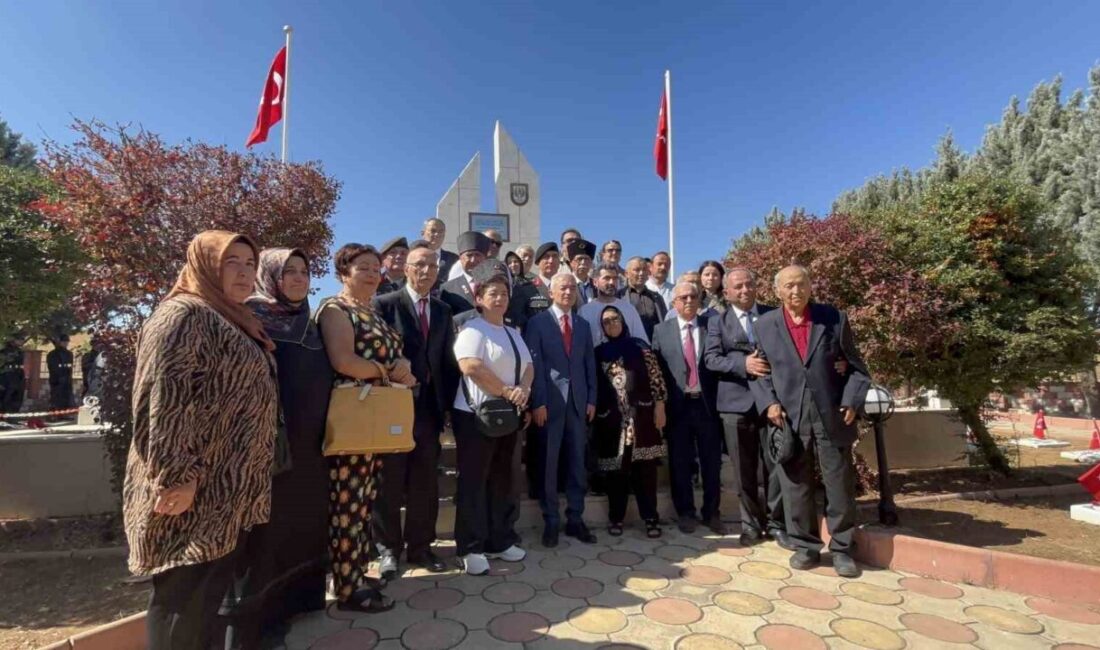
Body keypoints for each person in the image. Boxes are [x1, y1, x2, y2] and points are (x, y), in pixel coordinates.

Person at [124, 230, 278, 650]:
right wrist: (177, 476)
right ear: (205, 265)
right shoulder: (184, 315)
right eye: (232, 262)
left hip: (224, 491)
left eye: (250, 263)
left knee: (205, 601)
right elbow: (164, 400)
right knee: (182, 602)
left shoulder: (229, 316)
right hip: (193, 490)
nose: (245, 272)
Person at [224, 248, 333, 648]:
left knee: (303, 524)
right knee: (266, 534)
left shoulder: (311, 319)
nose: (298, 278)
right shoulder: (250, 317)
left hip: (313, 444)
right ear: (271, 275)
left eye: (304, 271)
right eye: (289, 271)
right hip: (270, 444)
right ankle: (259, 623)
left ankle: (298, 604)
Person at [750, 264, 871, 578]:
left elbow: (858, 369)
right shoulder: (765, 325)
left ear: (810, 286)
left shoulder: (833, 318)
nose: (795, 291)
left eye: (801, 284)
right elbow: (759, 374)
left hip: (831, 413)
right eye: (788, 286)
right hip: (789, 416)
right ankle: (806, 545)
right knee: (796, 484)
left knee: (838, 482)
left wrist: (851, 401)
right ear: (777, 292)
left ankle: (843, 549)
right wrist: (770, 404)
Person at [317, 243, 417, 612]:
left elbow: (389, 352)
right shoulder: (335, 309)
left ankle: (356, 570)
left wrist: (401, 364)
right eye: (363, 267)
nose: (374, 273)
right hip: (353, 417)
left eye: (377, 268)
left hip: (374, 415)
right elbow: (343, 360)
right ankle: (347, 589)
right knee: (347, 499)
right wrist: (388, 372)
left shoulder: (369, 310)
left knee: (364, 502)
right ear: (343, 272)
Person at [371, 242, 460, 577]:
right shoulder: (384, 304)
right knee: (389, 482)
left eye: (432, 266)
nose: (426, 271)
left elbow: (447, 362)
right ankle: (388, 550)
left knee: (426, 482)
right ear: (406, 268)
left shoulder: (442, 311)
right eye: (419, 265)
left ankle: (421, 547)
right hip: (393, 407)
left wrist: (448, 407)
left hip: (429, 411)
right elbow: (376, 353)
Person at [452, 262, 534, 575]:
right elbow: (470, 365)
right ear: (479, 299)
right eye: (492, 293)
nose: (499, 298)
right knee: (474, 482)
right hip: (475, 417)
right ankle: (470, 547)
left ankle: (500, 541)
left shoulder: (512, 332)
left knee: (503, 480)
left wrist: (523, 391)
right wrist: (505, 390)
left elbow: (528, 367)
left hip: (507, 417)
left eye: (503, 293)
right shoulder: (473, 329)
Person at [703, 268, 791, 549]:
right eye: (737, 287)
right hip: (736, 404)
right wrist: (743, 364)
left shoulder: (772, 315)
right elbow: (712, 359)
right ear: (726, 293)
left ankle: (777, 523)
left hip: (773, 404)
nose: (744, 290)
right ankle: (751, 525)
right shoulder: (717, 322)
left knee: (775, 466)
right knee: (743, 470)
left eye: (749, 284)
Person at [524, 274, 598, 548]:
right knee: (548, 464)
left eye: (571, 288)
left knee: (577, 463)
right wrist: (538, 402)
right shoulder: (537, 323)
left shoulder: (583, 324)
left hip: (579, 404)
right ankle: (551, 521)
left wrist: (592, 398)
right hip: (550, 405)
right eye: (562, 287)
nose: (568, 292)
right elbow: (535, 364)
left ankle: (575, 519)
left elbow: (589, 363)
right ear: (551, 291)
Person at [651, 281, 727, 535]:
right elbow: (657, 372)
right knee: (680, 462)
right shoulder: (661, 330)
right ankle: (685, 512)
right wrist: (659, 405)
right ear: (674, 303)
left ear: (699, 300)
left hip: (707, 406)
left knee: (711, 462)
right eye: (682, 297)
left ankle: (711, 512)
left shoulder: (713, 326)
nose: (688, 301)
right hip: (677, 407)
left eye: (693, 296)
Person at [592, 306, 668, 538]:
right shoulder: (599, 352)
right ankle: (616, 518)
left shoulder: (640, 346)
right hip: (612, 421)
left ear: (623, 321)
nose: (611, 324)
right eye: (606, 321)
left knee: (645, 471)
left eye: (615, 319)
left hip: (642, 416)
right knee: (616, 473)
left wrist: (660, 405)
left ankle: (651, 518)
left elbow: (656, 377)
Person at [578, 264, 650, 346]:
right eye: (607, 278)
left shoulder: (629, 309)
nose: (612, 282)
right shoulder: (584, 312)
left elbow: (641, 342)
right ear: (595, 282)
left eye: (615, 278)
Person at [441, 231, 492, 317]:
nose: (473, 260)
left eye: (478, 255)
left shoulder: (495, 284)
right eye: (469, 255)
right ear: (460, 258)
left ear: (485, 258)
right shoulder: (448, 288)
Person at [508, 242, 556, 331]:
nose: (527, 259)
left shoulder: (537, 282)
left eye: (530, 257)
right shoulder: (507, 278)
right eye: (524, 255)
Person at [621, 256, 667, 341]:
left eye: (644, 270)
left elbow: (664, 323)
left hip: (654, 347)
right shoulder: (619, 297)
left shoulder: (657, 298)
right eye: (637, 270)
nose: (641, 273)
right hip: (629, 346)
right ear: (626, 274)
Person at [421, 218, 459, 289]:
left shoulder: (454, 259)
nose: (437, 234)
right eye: (433, 231)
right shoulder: (412, 257)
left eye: (441, 232)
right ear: (423, 233)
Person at [46, 335, 75, 411]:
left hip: (67, 378)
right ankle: (53, 414)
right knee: (56, 397)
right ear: (59, 342)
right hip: (57, 379)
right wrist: (58, 377)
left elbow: (70, 367)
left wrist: (68, 378)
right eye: (63, 341)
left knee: (66, 397)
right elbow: (52, 367)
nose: (65, 343)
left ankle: (64, 414)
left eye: (67, 342)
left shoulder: (69, 354)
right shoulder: (53, 354)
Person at [565, 239, 598, 306]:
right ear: (571, 263)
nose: (583, 262)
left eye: (586, 259)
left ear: (591, 263)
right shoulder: (564, 284)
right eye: (579, 259)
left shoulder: (596, 286)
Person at [0, 335, 26, 415]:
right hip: (7, 377)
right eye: (19, 339)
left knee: (17, 398)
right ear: (13, 340)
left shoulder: (20, 351)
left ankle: (13, 417)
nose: (22, 341)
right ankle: (3, 417)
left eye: (22, 340)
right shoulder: (4, 351)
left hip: (18, 376)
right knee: (6, 398)